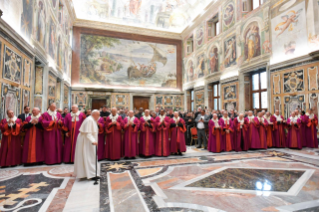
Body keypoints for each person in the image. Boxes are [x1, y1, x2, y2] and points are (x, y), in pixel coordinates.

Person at [74, 110, 100, 180]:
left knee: (90, 156)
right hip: (86, 141)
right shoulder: (89, 120)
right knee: (88, 157)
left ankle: (90, 173)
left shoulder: (92, 119)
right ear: (94, 114)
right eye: (98, 115)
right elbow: (88, 133)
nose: (99, 117)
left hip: (87, 141)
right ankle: (91, 174)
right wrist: (93, 141)